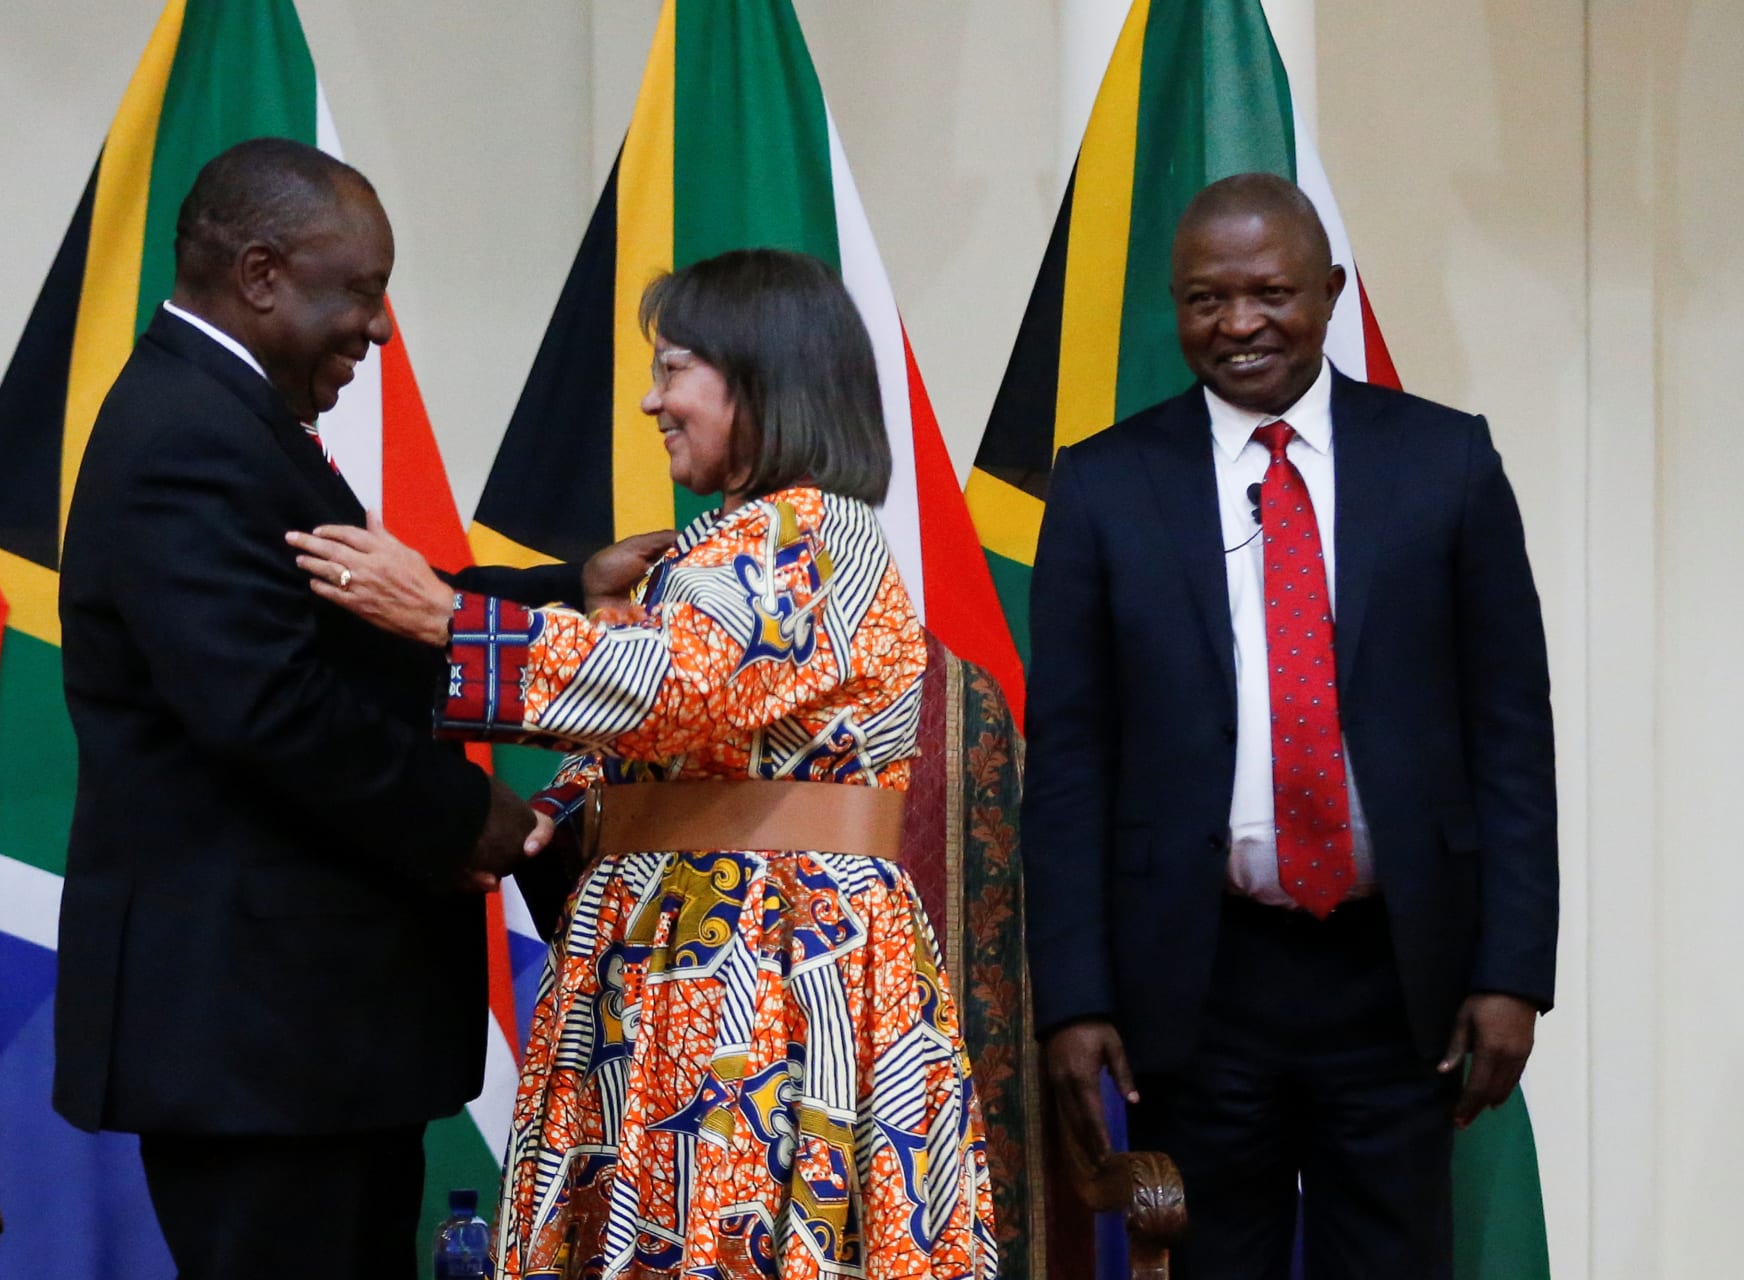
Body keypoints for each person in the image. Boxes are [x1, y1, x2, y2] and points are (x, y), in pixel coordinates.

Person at [291, 247, 1000, 1279]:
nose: (648, 399)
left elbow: (678, 686)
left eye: (674, 369)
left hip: (761, 970)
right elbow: (690, 747)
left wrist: (451, 617)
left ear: (760, 378)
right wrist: (544, 817)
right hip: (703, 949)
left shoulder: (801, 532)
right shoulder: (743, 539)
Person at [54, 137, 666, 1279]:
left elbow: (356, 619)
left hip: (304, 1041)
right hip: (256, 1043)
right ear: (261, 274)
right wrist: (465, 814)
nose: (381, 329)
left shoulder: (222, 418)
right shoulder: (186, 436)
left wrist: (560, 592)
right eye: (362, 292)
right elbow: (269, 704)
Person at [1020, 173, 1558, 1279]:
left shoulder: (1446, 463)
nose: (1239, 323)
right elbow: (1070, 760)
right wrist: (1073, 995)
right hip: (1198, 977)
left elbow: (1510, 731)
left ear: (1331, 292)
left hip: (1399, 973)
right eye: (1205, 299)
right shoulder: (1104, 485)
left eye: (1270, 292)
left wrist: (1514, 969)